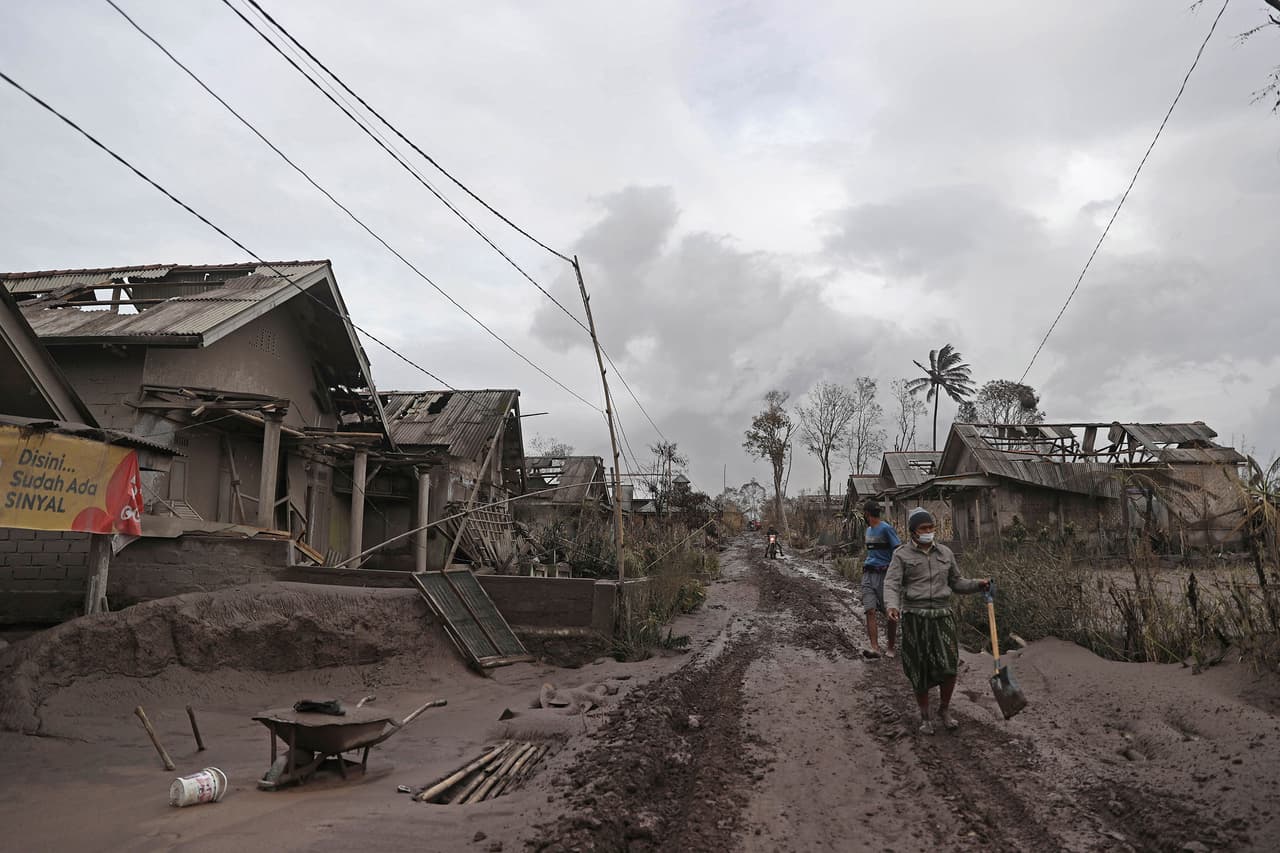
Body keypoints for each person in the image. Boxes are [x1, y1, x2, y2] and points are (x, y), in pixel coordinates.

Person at [884, 507, 989, 735]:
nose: (929, 531)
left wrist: (977, 584)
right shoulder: (901, 555)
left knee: (949, 666)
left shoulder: (945, 553)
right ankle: (925, 717)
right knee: (919, 667)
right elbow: (891, 583)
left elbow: (957, 582)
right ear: (913, 532)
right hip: (915, 617)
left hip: (942, 616)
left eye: (931, 527)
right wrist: (891, 606)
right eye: (924, 528)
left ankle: (944, 709)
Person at [859, 502, 900, 659]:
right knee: (870, 610)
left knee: (889, 612)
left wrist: (895, 572)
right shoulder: (868, 531)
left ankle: (890, 646)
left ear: (867, 514)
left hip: (885, 575)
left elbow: (897, 549)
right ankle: (875, 647)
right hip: (868, 574)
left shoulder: (886, 529)